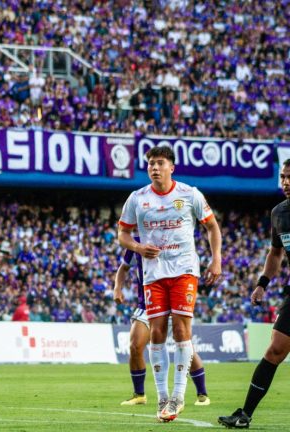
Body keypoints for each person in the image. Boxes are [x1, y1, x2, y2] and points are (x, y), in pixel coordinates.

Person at [118, 146, 221, 422]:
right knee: (157, 333)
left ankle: (178, 396)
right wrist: (138, 248)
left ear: (171, 167)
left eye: (160, 163)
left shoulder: (189, 194)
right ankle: (162, 396)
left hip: (184, 269)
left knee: (181, 329)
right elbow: (123, 235)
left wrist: (216, 259)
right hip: (153, 274)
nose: (154, 167)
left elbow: (212, 226)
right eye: (151, 163)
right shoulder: (137, 198)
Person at [218, 159, 290, 429]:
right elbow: (275, 252)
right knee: (274, 350)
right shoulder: (279, 213)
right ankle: (245, 415)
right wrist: (262, 283)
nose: (286, 182)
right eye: (283, 177)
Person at [114, 238, 210, 406]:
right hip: (147, 303)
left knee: (187, 348)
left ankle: (202, 394)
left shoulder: (174, 236)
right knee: (135, 346)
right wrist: (117, 288)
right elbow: (124, 267)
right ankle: (139, 395)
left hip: (173, 301)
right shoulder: (136, 243)